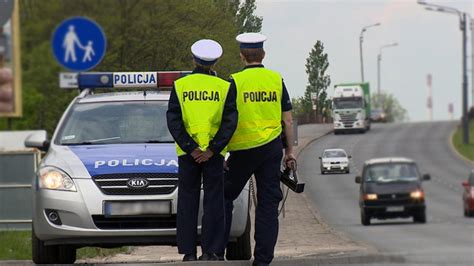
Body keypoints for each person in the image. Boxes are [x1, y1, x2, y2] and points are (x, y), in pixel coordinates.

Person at [220, 32, 295, 265]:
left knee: (223, 196)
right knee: (268, 204)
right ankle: (262, 260)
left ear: (242, 56)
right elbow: (288, 121)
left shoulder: (234, 81)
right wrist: (289, 152)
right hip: (271, 150)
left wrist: (222, 152)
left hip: (241, 151)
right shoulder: (276, 79)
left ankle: (216, 251)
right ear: (263, 54)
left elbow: (225, 119)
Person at [166, 39, 238, 262]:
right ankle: (212, 251)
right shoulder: (225, 87)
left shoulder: (180, 85)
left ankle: (188, 252)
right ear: (216, 61)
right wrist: (212, 150)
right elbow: (230, 122)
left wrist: (191, 148)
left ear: (193, 60)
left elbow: (173, 120)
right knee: (214, 200)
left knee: (188, 200)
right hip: (213, 155)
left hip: (187, 155)